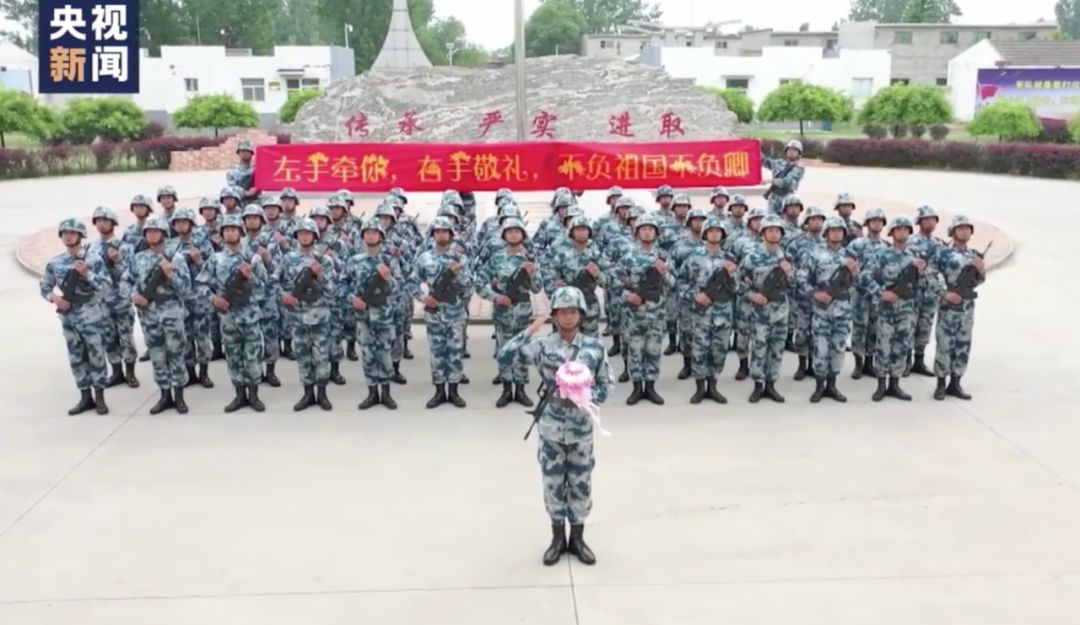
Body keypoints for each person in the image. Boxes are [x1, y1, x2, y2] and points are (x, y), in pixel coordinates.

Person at [496, 286, 613, 567]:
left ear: (581, 314)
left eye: (573, 311)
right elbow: (505, 356)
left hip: (580, 429)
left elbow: (607, 383)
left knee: (581, 485)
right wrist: (530, 330)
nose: (568, 317)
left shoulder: (594, 348)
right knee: (553, 484)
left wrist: (586, 397)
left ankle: (578, 538)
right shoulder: (543, 346)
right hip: (551, 428)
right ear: (554, 315)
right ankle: (558, 538)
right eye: (562, 312)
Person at [196, 215, 269, 412]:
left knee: (253, 357)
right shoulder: (216, 259)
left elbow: (265, 289)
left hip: (250, 316)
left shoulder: (252, 259)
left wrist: (251, 277)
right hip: (228, 318)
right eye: (226, 230)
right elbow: (201, 284)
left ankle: (254, 395)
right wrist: (213, 299)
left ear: (240, 232)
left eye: (233, 229)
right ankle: (239, 395)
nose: (230, 233)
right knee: (233, 357)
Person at [40, 219, 112, 415]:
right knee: (76, 358)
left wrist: (87, 274)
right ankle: (85, 397)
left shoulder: (94, 259)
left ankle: (100, 397)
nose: (68, 236)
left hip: (92, 317)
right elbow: (44, 286)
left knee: (96, 356)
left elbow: (107, 287)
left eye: (72, 233)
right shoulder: (56, 262)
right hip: (69, 319)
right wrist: (55, 298)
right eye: (64, 233)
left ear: (81, 236)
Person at [123, 216, 191, 414]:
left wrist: (171, 274)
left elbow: (186, 289)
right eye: (149, 232)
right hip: (149, 316)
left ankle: (179, 396)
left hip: (171, 314)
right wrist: (132, 296)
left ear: (164, 234)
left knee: (176, 354)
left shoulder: (176, 258)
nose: (152, 234)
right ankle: (164, 395)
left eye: (156, 231)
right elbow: (125, 281)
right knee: (157, 356)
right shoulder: (138, 258)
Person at [859, 216, 924, 402]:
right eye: (899, 229)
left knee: (901, 347)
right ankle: (881, 385)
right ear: (892, 232)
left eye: (905, 229)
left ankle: (895, 384)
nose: (902, 232)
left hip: (906, 309)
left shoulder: (914, 257)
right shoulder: (882, 254)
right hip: (886, 309)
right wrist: (880, 292)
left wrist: (921, 272)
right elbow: (864, 276)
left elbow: (924, 284)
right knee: (883, 346)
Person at [478, 218, 541, 407]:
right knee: (504, 349)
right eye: (510, 231)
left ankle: (520, 389)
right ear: (504, 236)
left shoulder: (529, 259)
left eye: (517, 231)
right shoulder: (496, 258)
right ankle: (506, 389)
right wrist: (495, 297)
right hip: (503, 311)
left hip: (522, 310)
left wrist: (531, 275)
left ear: (523, 235)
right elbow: (479, 282)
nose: (513, 234)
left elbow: (538, 288)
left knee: (522, 350)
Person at [410, 216, 471, 409]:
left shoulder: (460, 259)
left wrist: (458, 274)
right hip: (434, 313)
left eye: (445, 231)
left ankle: (453, 391)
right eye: (437, 231)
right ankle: (439, 391)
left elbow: (469, 285)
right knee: (437, 353)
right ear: (433, 235)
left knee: (455, 352)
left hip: (455, 313)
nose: (441, 234)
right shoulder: (424, 258)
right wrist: (423, 298)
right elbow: (411, 282)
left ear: (451, 234)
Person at [277, 218, 336, 411]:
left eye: (308, 233)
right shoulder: (288, 259)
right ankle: (308, 393)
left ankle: (322, 394)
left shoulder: (324, 260)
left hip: (320, 317)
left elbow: (333, 291)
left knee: (322, 357)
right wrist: (283, 295)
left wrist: (321, 276)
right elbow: (273, 281)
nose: (304, 236)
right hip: (298, 317)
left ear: (315, 236)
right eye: (301, 233)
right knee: (303, 356)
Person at [798, 217, 858, 403]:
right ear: (826, 233)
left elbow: (860, 282)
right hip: (822, 311)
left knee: (838, 348)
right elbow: (801, 278)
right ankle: (819, 386)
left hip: (843, 310)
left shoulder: (851, 256)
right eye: (833, 230)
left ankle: (832, 385)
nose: (836, 233)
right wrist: (814, 294)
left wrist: (854, 272)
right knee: (821, 348)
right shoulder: (815, 255)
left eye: (840, 230)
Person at [345, 219, 402, 411]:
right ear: (363, 236)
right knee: (368, 354)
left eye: (374, 232)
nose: (371, 235)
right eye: (367, 232)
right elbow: (342, 284)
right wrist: (352, 299)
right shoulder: (354, 261)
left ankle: (385, 393)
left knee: (385, 353)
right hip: (364, 316)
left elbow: (400, 288)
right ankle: (372, 393)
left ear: (381, 236)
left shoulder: (389, 261)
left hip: (384, 315)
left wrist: (388, 279)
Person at [617, 215, 674, 405]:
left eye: (651, 229)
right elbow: (615, 283)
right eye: (643, 229)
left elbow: (674, 284)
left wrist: (664, 272)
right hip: (634, 314)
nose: (647, 232)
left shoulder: (664, 257)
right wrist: (628, 296)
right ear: (637, 232)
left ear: (656, 233)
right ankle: (636, 388)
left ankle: (650, 387)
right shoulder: (628, 257)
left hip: (656, 313)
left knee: (653, 350)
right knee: (635, 351)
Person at [678, 216, 735, 404]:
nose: (715, 234)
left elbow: (738, 288)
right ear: (704, 234)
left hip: (722, 313)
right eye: (711, 231)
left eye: (718, 231)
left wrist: (732, 276)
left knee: (719, 350)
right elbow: (680, 282)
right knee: (699, 350)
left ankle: (713, 386)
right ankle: (700, 388)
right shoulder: (693, 257)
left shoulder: (729, 259)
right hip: (700, 313)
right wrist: (695, 295)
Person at [738, 215, 793, 403]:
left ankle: (771, 385)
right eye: (770, 230)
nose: (774, 233)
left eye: (777, 230)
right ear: (763, 233)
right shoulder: (752, 258)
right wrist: (751, 295)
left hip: (781, 311)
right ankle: (758, 385)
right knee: (759, 348)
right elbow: (738, 283)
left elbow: (796, 285)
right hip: (760, 312)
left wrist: (789, 273)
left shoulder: (787, 257)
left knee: (777, 349)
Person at [930, 215, 986, 401]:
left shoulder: (973, 255)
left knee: (963, 345)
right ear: (952, 232)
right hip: (948, 307)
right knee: (944, 345)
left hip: (967, 309)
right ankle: (940, 384)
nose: (965, 231)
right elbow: (930, 275)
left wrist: (980, 270)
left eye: (967, 228)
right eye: (960, 228)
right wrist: (944, 293)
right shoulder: (943, 254)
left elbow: (979, 281)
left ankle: (956, 382)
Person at [87, 206, 139, 389]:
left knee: (126, 338)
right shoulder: (90, 248)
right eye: (98, 221)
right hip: (102, 301)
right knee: (109, 338)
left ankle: (130, 372)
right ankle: (117, 371)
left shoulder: (124, 247)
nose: (101, 224)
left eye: (105, 221)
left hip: (121, 301)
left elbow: (133, 273)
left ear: (113, 223)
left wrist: (118, 261)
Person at [166, 208, 215, 390]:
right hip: (181, 297)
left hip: (200, 297)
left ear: (191, 224)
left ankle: (204, 373)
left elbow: (213, 269)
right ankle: (190, 372)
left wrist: (199, 261)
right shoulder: (170, 246)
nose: (180, 225)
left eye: (184, 222)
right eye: (177, 222)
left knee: (202, 336)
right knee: (184, 336)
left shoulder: (202, 244)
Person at [784, 205, 825, 380]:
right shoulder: (797, 243)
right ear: (807, 222)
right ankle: (802, 365)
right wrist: (794, 282)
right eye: (813, 219)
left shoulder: (826, 243)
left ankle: (814, 365)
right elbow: (787, 266)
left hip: (822, 296)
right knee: (802, 331)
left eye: (819, 219)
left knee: (819, 331)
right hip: (801, 296)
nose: (816, 222)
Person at [726, 207, 766, 381]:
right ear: (749, 222)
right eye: (755, 219)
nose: (759, 222)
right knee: (743, 331)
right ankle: (743, 365)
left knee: (762, 333)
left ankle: (759, 366)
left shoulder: (772, 242)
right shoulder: (740, 242)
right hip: (745, 294)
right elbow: (729, 263)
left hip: (766, 296)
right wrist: (737, 278)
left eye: (761, 219)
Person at [848, 207, 888, 379]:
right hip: (860, 293)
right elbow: (849, 268)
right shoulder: (857, 244)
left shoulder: (886, 246)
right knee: (859, 327)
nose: (877, 224)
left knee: (874, 329)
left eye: (880, 221)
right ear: (867, 223)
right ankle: (858, 363)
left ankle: (869, 363)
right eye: (874, 220)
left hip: (878, 295)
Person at [907, 205, 947, 377]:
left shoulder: (940, 244)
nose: (930, 222)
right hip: (913, 291)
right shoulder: (911, 242)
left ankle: (919, 360)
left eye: (933, 219)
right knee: (909, 326)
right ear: (919, 222)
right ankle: (906, 361)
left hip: (931, 292)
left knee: (925, 326)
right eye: (926, 219)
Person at [762, 140, 805, 215]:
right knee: (771, 219)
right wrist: (757, 148)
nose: (791, 152)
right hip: (774, 198)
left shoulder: (799, 168)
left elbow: (787, 182)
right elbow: (763, 161)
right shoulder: (779, 163)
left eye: (795, 150)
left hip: (787, 199)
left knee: (785, 219)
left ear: (799, 153)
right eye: (789, 149)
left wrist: (771, 181)